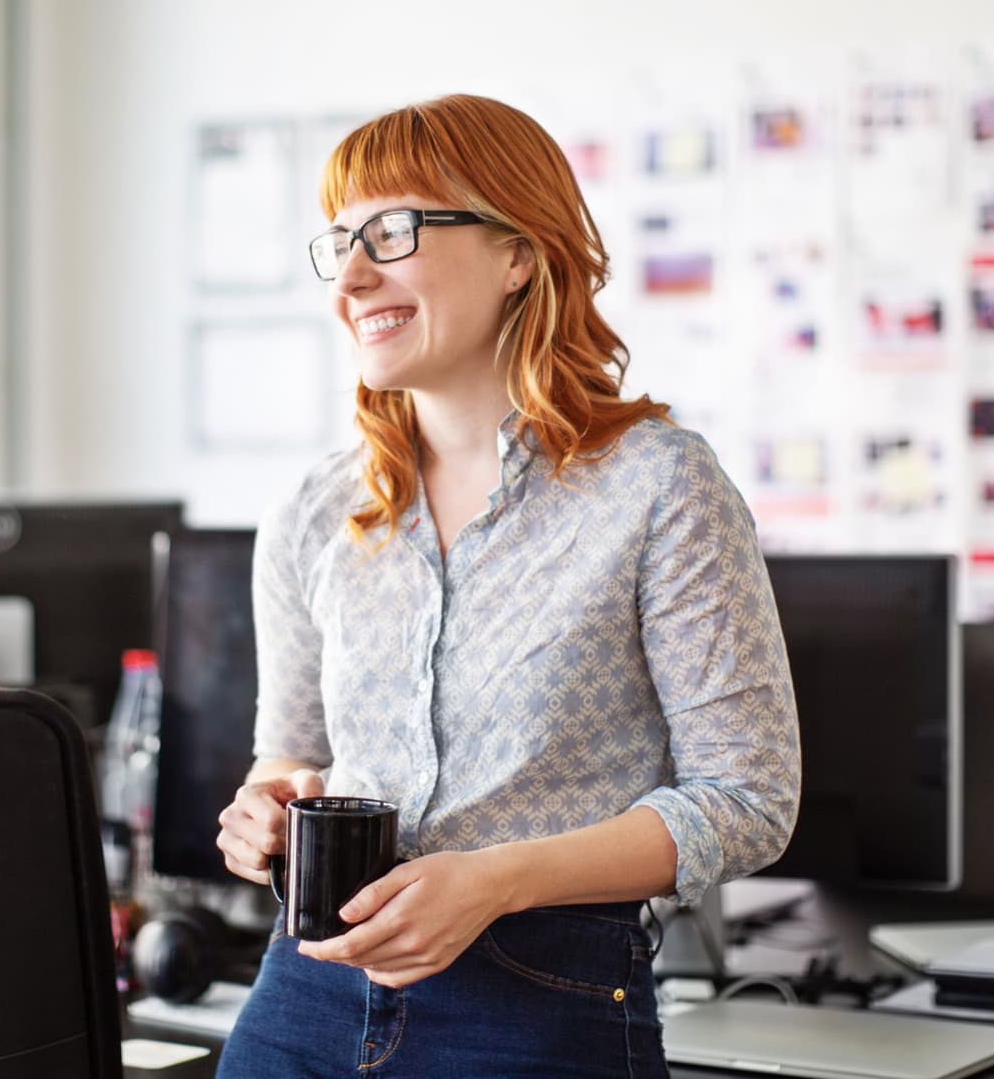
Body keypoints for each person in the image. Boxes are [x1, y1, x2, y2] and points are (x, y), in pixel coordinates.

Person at [211, 95, 800, 1078]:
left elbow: (747, 798)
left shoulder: (658, 486)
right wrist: (264, 807)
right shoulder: (314, 513)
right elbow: (291, 757)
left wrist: (496, 879)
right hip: (304, 996)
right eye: (340, 243)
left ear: (517, 252)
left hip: (539, 1002)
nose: (350, 277)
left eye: (390, 233)